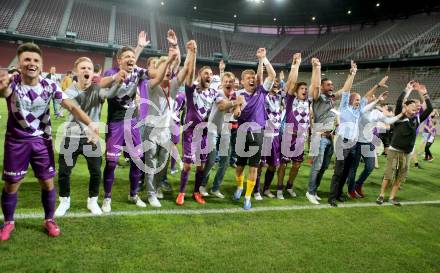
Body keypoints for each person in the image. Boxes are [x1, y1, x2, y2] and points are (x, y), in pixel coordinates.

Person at [0, 43, 99, 241]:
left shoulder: (49, 85)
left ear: (41, 64)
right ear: (19, 63)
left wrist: (90, 123)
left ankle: (49, 219)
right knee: (12, 184)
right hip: (16, 142)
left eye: (36, 60)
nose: (31, 63)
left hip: (42, 142)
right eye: (27, 59)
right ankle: (9, 222)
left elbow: (70, 105)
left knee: (47, 183)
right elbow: (3, 92)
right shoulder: (12, 83)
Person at [55, 57, 119, 216]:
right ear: (76, 71)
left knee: (96, 171)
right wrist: (89, 127)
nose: (86, 71)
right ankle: (64, 201)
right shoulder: (68, 92)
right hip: (72, 137)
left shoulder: (98, 90)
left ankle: (92, 201)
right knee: (64, 171)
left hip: (92, 139)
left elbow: (111, 91)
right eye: (83, 68)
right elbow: (77, 113)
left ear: (93, 72)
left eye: (89, 68)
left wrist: (118, 81)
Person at [99, 45, 151, 213]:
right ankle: (107, 197)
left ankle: (133, 194)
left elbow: (152, 74)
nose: (130, 59)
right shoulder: (110, 72)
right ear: (118, 60)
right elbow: (101, 85)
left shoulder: (137, 72)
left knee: (137, 160)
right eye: (126, 57)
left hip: (133, 122)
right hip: (115, 123)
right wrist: (116, 78)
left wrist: (172, 59)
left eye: (132, 56)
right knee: (112, 162)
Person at [141, 35, 189, 208]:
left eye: (169, 69)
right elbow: (161, 75)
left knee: (162, 163)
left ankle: (158, 186)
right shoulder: (151, 84)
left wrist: (182, 49)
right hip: (151, 129)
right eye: (165, 68)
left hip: (166, 131)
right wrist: (167, 61)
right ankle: (151, 193)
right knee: (151, 162)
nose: (168, 71)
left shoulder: (173, 85)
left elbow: (183, 70)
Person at [306, 60, 357, 205]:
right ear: (322, 87)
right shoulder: (317, 97)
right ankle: (309, 191)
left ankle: (314, 191)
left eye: (332, 85)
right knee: (317, 165)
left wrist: (352, 74)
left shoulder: (331, 98)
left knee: (324, 166)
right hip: (318, 136)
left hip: (329, 137)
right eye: (328, 85)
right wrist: (317, 68)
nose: (331, 87)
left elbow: (345, 90)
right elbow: (314, 86)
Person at [231, 48, 276, 210]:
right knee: (240, 165)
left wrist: (264, 59)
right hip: (242, 133)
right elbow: (235, 116)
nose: (251, 79)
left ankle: (248, 196)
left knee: (254, 166)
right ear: (242, 81)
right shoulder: (238, 95)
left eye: (253, 78)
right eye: (248, 78)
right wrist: (237, 111)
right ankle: (240, 187)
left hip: (258, 133)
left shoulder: (261, 91)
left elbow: (272, 76)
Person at [376, 81, 433, 206]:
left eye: (415, 107)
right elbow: (399, 101)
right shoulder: (399, 117)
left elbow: (430, 109)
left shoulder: (416, 119)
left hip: (406, 153)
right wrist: (407, 89)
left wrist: (424, 93)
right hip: (394, 150)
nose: (415, 108)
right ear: (405, 107)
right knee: (388, 174)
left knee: (400, 176)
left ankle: (392, 197)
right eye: (412, 106)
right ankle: (381, 195)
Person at [346, 77, 403, 198]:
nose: (371, 98)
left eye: (373, 97)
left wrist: (401, 114)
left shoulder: (376, 112)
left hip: (368, 143)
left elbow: (388, 120)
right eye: (370, 97)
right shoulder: (359, 110)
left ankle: (358, 185)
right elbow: (366, 102)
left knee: (370, 167)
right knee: (353, 168)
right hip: (356, 143)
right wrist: (377, 97)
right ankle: (350, 189)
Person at [200, 71, 243, 199]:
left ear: (234, 83)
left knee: (225, 161)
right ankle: (202, 186)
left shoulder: (235, 96)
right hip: (212, 129)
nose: (229, 83)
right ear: (222, 83)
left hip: (225, 130)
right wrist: (236, 103)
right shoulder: (217, 93)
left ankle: (215, 188)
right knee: (211, 159)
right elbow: (222, 106)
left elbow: (236, 114)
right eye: (226, 81)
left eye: (231, 82)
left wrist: (238, 108)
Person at [277, 53, 314, 199]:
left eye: (306, 88)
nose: (305, 90)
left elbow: (314, 87)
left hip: (300, 139)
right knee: (284, 165)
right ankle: (279, 189)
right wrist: (296, 65)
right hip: (288, 136)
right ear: (297, 91)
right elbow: (291, 84)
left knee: (297, 165)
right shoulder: (291, 100)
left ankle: (289, 186)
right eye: (302, 88)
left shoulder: (308, 102)